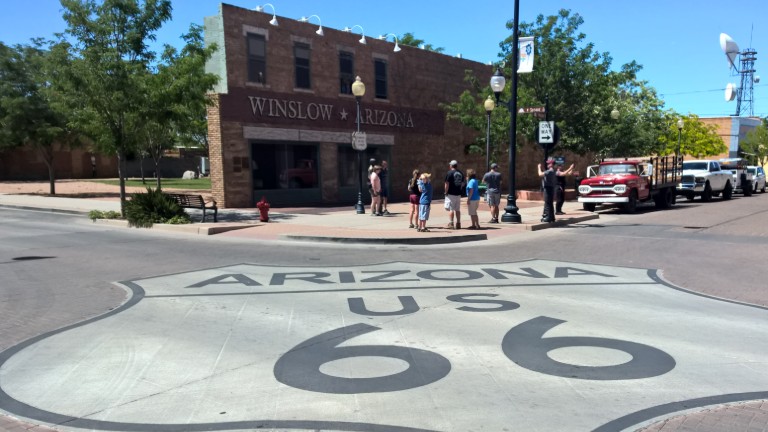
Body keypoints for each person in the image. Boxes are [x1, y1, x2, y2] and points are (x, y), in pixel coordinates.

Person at [443, 160, 464, 229]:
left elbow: (447, 183)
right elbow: (462, 183)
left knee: (451, 209)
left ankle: (451, 223)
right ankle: (458, 223)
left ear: (451, 166)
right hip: (458, 193)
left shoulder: (449, 173)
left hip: (451, 193)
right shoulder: (461, 173)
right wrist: (460, 190)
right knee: (457, 209)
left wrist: (446, 191)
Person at [538, 158, 557, 223]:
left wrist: (538, 168)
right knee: (550, 203)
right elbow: (545, 173)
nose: (547, 164)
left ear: (551, 164)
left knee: (547, 203)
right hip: (551, 188)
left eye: (548, 163)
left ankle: (547, 217)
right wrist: (543, 168)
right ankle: (551, 217)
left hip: (548, 188)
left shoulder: (550, 171)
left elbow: (540, 174)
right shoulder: (552, 171)